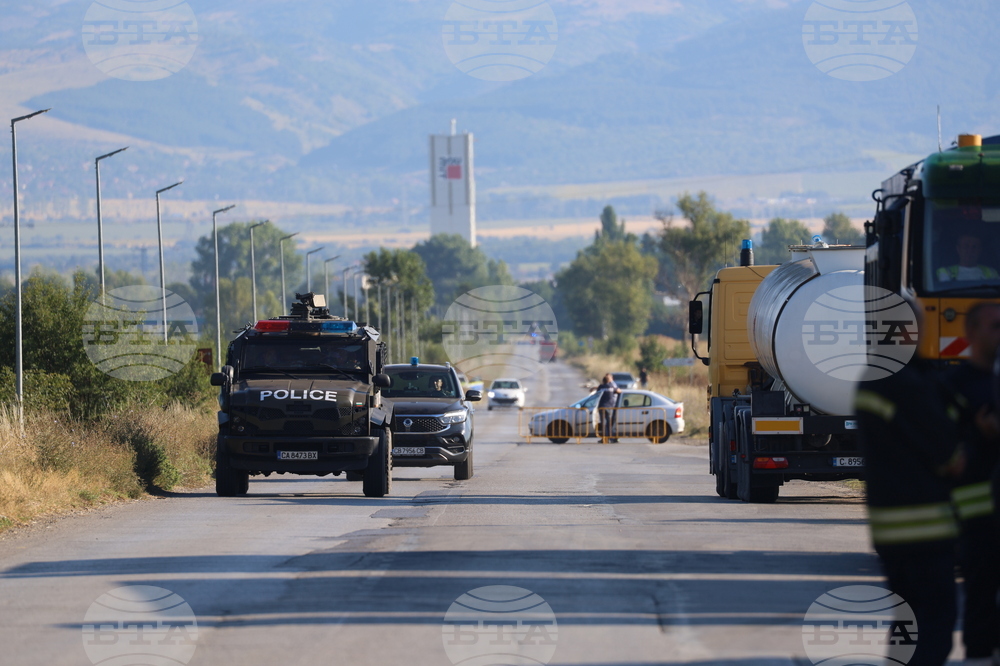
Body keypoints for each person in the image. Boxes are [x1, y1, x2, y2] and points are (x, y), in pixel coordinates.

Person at [854, 341, 966, 665]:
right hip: (926, 530)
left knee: (907, 622)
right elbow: (949, 458)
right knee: (934, 626)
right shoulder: (908, 384)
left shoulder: (869, 379)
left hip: (889, 532)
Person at [945, 303, 1000, 666]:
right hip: (975, 509)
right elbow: (939, 445)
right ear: (973, 333)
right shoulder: (954, 387)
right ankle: (979, 655)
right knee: (980, 590)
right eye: (995, 326)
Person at [597, 373, 621, 443]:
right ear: (609, 380)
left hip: (601, 407)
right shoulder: (611, 386)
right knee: (609, 424)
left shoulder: (601, 387)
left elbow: (597, 393)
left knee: (603, 424)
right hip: (610, 407)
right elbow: (619, 391)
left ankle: (604, 438)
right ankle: (611, 438)